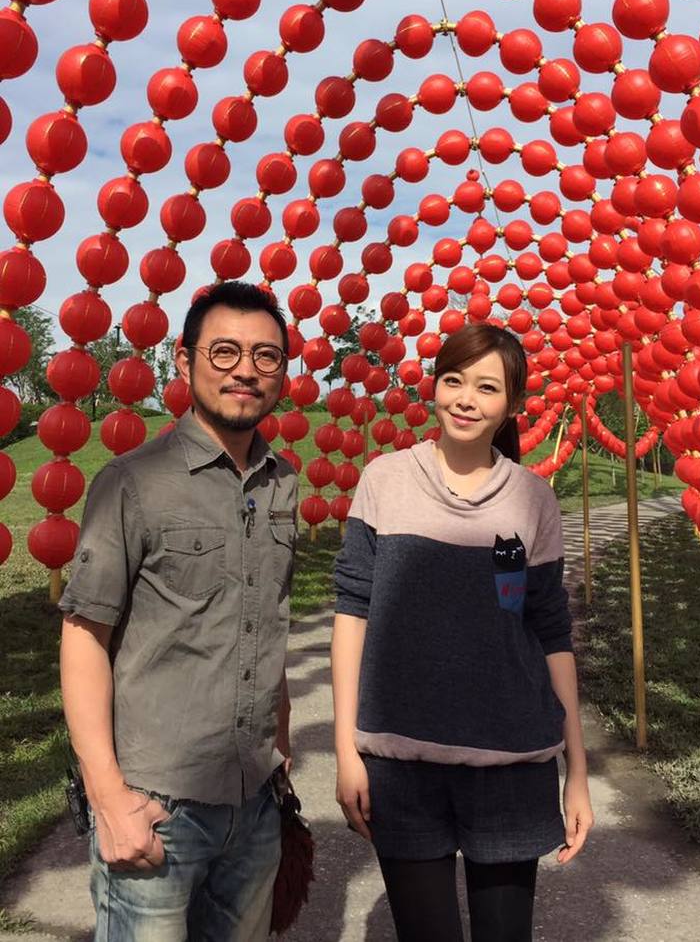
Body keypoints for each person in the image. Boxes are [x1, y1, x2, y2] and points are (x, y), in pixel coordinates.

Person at [332, 322, 594, 942]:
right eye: (454, 380)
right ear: (434, 386)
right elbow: (352, 611)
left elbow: (549, 632)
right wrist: (346, 751)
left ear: (512, 403)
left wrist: (577, 771)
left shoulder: (532, 499)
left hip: (510, 764)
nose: (466, 399)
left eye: (487, 387)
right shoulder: (385, 480)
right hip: (401, 764)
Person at [59, 281, 298, 942]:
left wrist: (280, 744)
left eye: (266, 355)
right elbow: (83, 636)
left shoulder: (283, 483)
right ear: (185, 361)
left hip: (255, 800)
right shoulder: (133, 482)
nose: (246, 370)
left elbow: (265, 618)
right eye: (225, 351)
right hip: (157, 807)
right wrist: (109, 798)